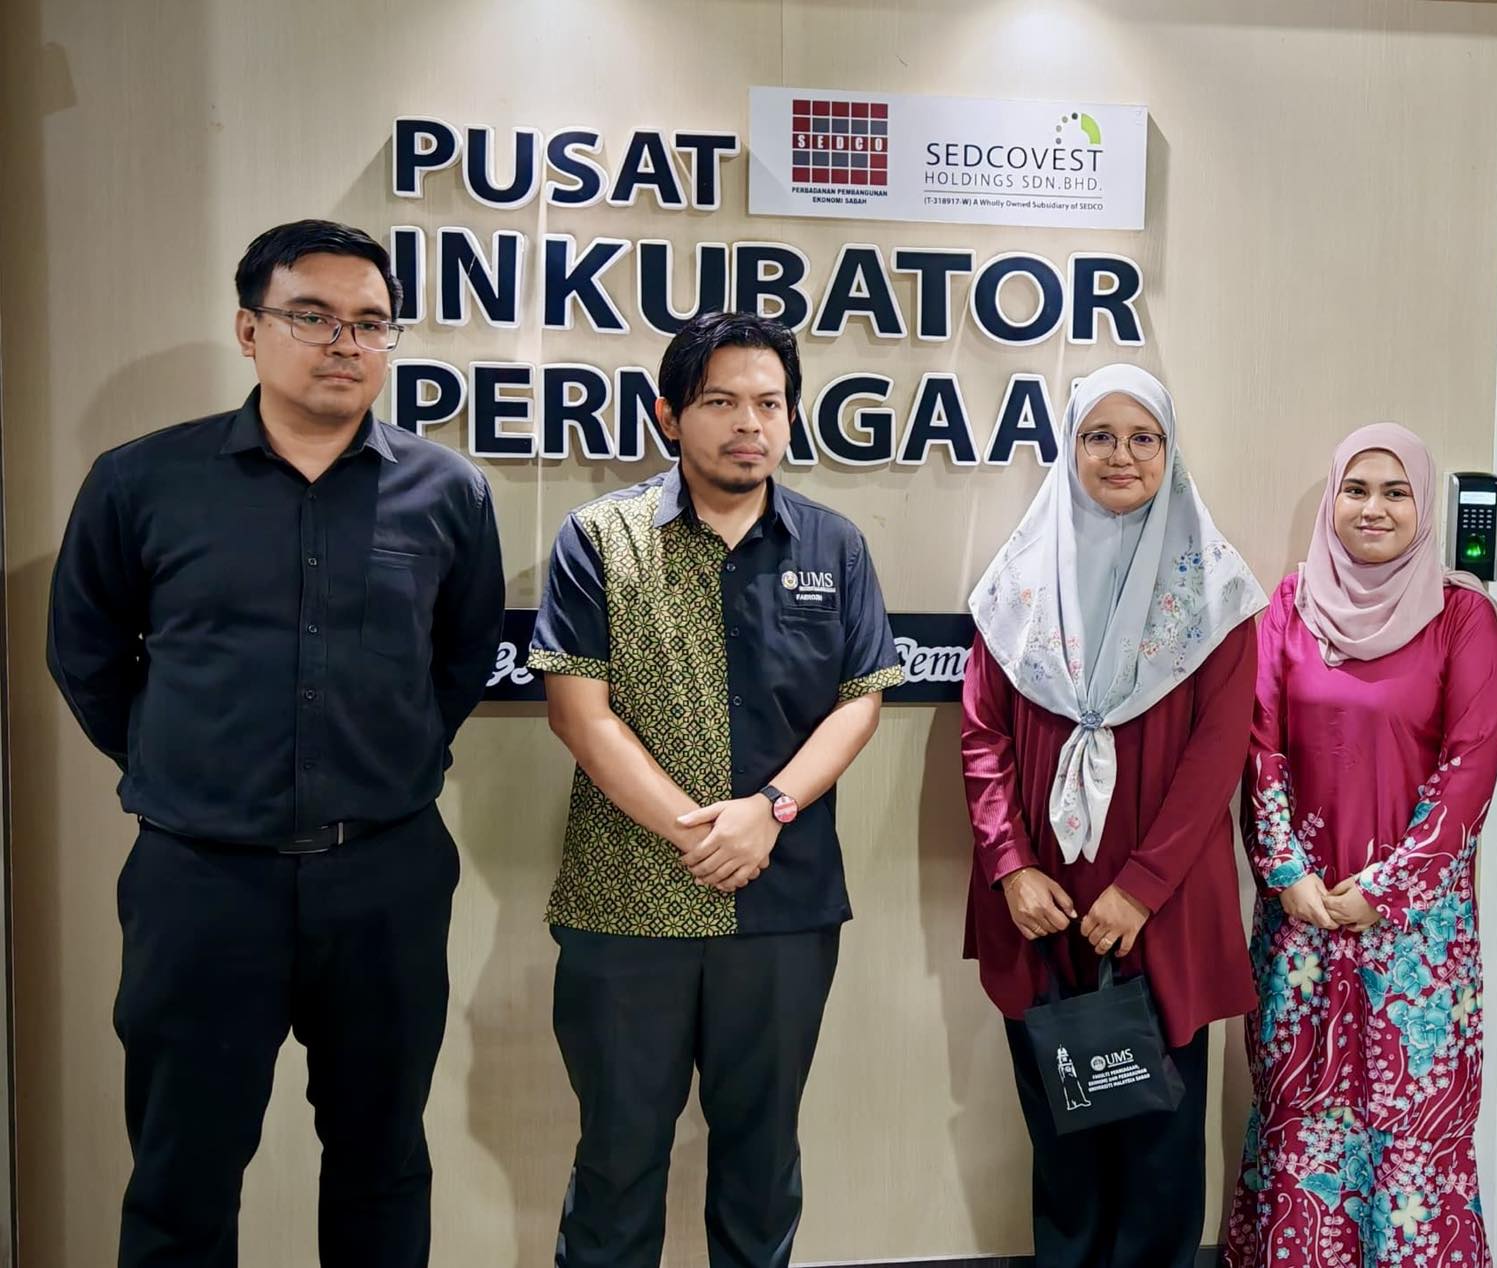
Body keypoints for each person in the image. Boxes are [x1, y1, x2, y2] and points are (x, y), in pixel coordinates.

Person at [46, 219, 505, 1267]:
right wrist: (181, 764)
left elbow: (460, 659)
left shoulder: (448, 492)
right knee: (182, 1174)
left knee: (382, 1161)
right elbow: (85, 654)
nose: (345, 343)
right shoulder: (141, 481)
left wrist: (384, 765)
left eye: (370, 323)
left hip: (383, 876)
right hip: (201, 879)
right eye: (313, 317)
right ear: (250, 330)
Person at [529, 311, 904, 1268]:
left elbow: (859, 701)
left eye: (769, 404)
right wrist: (704, 834)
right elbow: (579, 715)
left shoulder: (833, 544)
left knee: (762, 1164)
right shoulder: (600, 538)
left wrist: (768, 812)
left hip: (781, 907)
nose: (749, 424)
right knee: (617, 1165)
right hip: (627, 905)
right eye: (721, 402)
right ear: (670, 415)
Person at [959, 363, 1266, 1268]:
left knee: (1159, 1149)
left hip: (1160, 912)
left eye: (1144, 438)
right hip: (1041, 909)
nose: (1121, 455)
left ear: (1170, 453)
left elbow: (1217, 756)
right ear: (1070, 448)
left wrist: (1141, 887)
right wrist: (1011, 866)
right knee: (1064, 1146)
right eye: (1099, 436)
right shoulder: (1016, 585)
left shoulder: (1215, 593)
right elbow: (982, 736)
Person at [1225, 424, 1497, 1268]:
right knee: (1301, 1124)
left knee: (1415, 1133)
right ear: (1332, 500)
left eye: (1396, 492)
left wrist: (1386, 889)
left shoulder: (1464, 617)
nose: (1373, 509)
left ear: (1424, 507)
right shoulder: (1289, 608)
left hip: (1419, 939)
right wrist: (1287, 873)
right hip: (1303, 924)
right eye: (1355, 490)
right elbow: (1259, 748)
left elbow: (1470, 768)